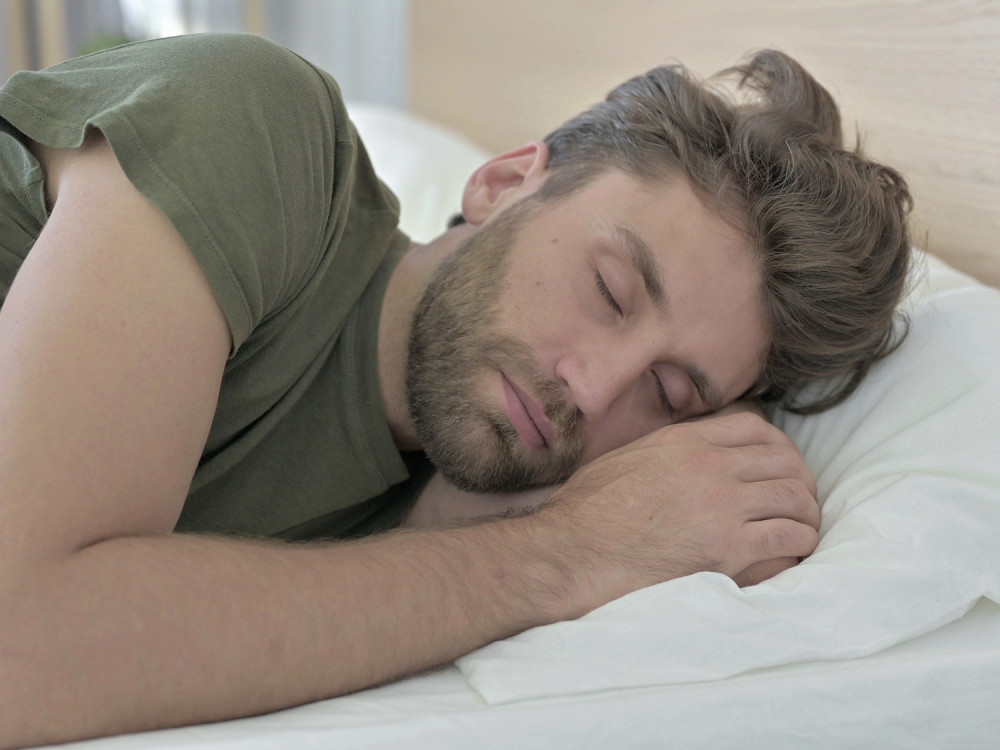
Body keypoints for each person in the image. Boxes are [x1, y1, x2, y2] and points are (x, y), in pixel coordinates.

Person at [0, 33, 910, 747]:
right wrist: (562, 553)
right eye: (610, 291)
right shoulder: (261, 128)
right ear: (503, 183)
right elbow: (21, 646)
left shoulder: (438, 521)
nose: (594, 392)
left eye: (667, 394)